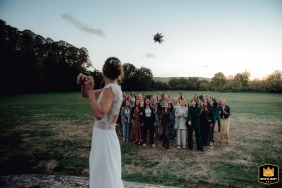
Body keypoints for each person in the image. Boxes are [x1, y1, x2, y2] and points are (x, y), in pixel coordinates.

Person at [77, 57, 124, 188]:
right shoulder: (113, 88)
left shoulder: (109, 89)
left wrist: (91, 89)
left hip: (104, 138)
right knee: (106, 174)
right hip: (106, 136)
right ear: (120, 73)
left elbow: (100, 113)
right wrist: (84, 85)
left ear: (103, 71)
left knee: (103, 175)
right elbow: (86, 94)